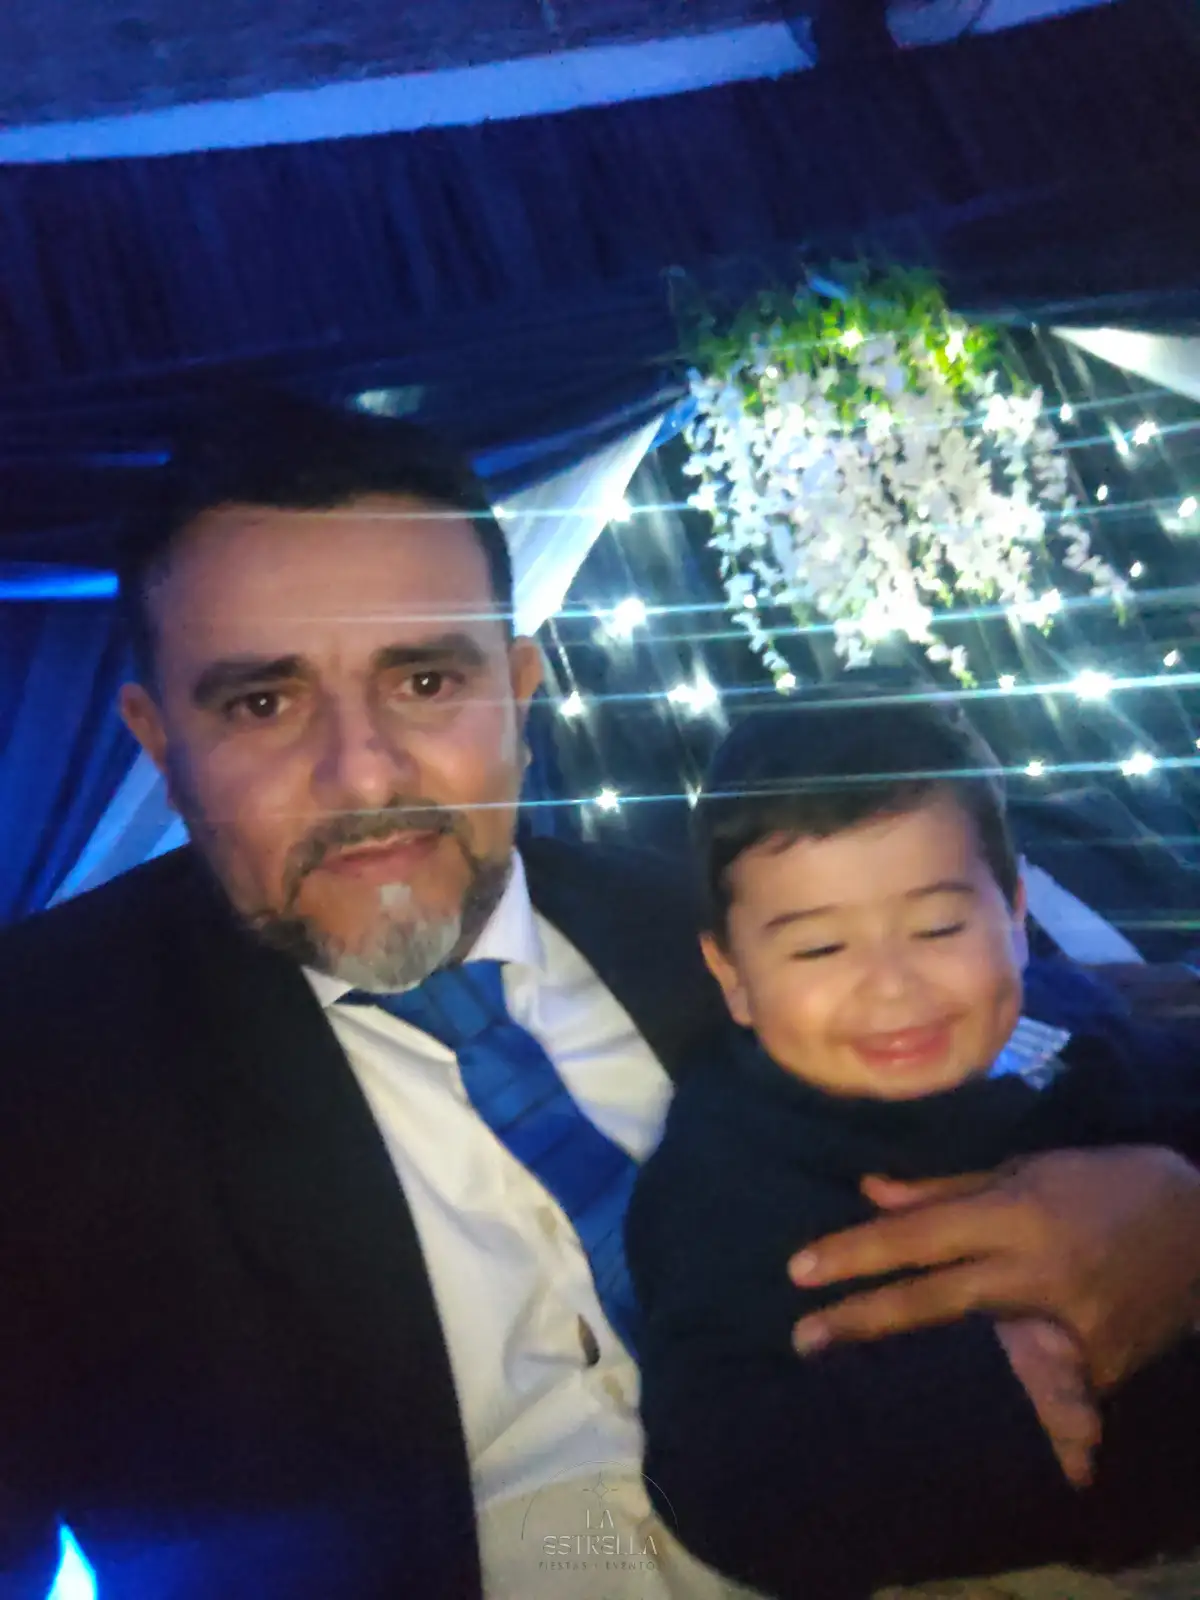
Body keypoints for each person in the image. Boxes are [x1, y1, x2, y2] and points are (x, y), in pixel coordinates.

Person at [2, 394, 1200, 1600]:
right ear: (159, 742)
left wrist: (1176, 1207)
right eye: (264, 704)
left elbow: (1062, 1026)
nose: (363, 773)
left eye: (426, 680)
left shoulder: (745, 918)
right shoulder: (43, 1074)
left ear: (518, 688)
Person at [627, 700, 1200, 1600]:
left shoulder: (1069, 1018)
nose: (892, 987)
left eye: (938, 928)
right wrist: (965, 1404)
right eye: (819, 947)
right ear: (732, 977)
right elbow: (711, 1471)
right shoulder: (726, 1170)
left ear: (1013, 914)